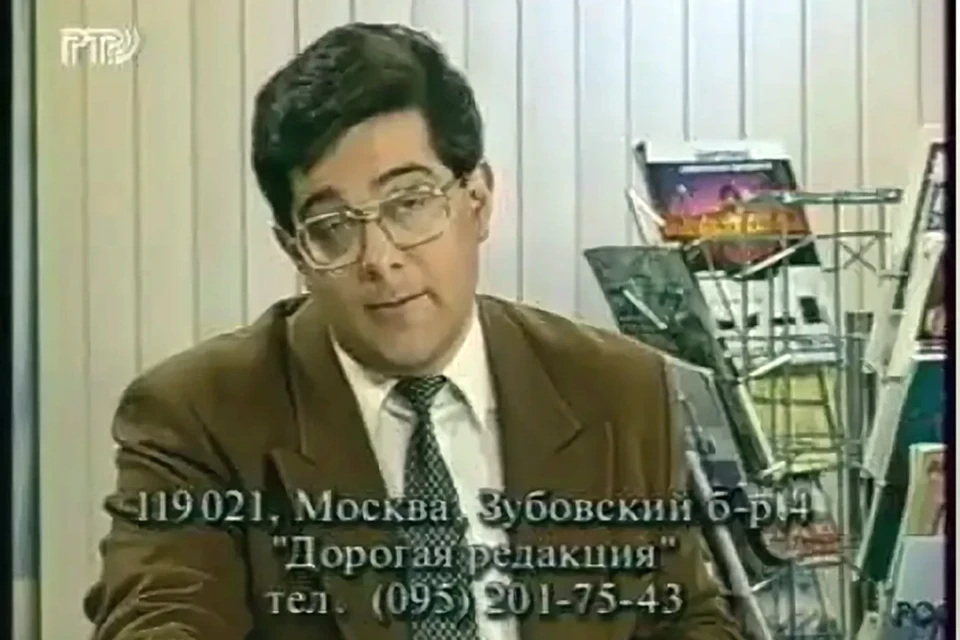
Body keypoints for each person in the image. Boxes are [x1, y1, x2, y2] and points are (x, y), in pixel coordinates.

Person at [83, 23, 743, 640]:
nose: (379, 258)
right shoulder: (198, 416)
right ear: (295, 251)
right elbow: (160, 617)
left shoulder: (618, 391)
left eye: (409, 203)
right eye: (332, 226)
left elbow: (686, 617)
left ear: (477, 202)